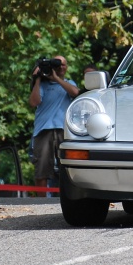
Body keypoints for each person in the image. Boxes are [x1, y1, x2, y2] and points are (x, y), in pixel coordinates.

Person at [29, 55, 80, 191]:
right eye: (57, 64)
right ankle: (41, 203)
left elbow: (76, 93)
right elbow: (34, 102)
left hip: (64, 129)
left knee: (68, 167)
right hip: (43, 130)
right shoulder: (43, 85)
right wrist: (37, 79)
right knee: (42, 168)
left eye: (63, 64)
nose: (60, 67)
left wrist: (56, 79)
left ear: (67, 67)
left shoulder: (70, 83)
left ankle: (68, 198)